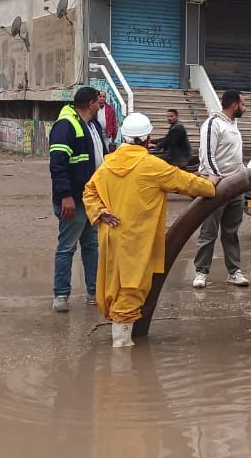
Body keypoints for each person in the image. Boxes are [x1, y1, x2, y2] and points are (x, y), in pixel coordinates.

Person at [83, 112, 219, 347]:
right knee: (132, 289)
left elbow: (89, 191)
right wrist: (211, 184)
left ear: (124, 138)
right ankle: (121, 350)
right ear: (147, 139)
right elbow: (188, 183)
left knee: (114, 287)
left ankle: (123, 341)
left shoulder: (108, 164)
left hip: (111, 237)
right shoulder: (152, 166)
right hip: (137, 241)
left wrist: (99, 211)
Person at [49, 86, 109, 313]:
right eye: (98, 102)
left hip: (91, 199)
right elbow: (58, 164)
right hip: (73, 199)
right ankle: (61, 295)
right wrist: (66, 196)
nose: (100, 105)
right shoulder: (66, 126)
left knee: (91, 245)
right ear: (90, 104)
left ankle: (94, 292)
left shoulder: (92, 125)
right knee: (67, 247)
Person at [193, 90, 249, 289]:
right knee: (209, 232)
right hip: (217, 187)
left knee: (231, 232)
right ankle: (201, 272)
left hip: (235, 186)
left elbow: (234, 156)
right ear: (234, 105)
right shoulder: (213, 124)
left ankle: (234, 272)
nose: (245, 108)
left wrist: (244, 175)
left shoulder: (233, 124)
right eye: (243, 104)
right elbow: (207, 154)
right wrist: (215, 177)